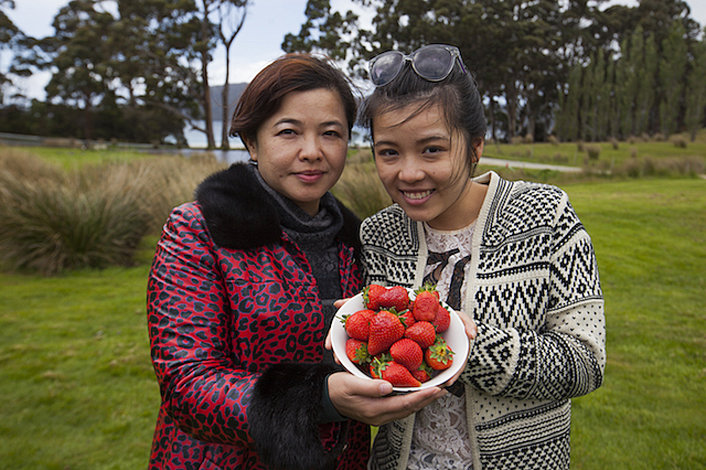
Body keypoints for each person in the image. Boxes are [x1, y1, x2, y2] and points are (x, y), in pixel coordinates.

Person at [355, 44, 606, 469]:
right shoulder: (379, 233)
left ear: (475, 147)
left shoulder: (546, 216)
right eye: (389, 151)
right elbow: (377, 358)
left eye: (432, 149)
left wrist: (467, 347)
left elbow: (585, 362)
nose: (408, 173)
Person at [147, 53, 402, 470]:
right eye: (288, 132)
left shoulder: (356, 242)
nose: (312, 152)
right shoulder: (199, 230)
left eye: (331, 133)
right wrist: (317, 399)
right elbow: (185, 385)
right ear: (252, 141)